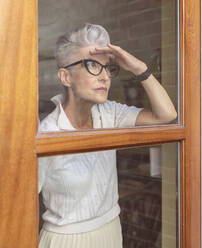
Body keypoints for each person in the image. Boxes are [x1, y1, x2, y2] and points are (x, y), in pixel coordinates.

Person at [38, 23, 177, 248]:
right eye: (92, 65)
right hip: (66, 240)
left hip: (111, 231)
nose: (104, 77)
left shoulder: (108, 113)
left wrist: (139, 68)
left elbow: (167, 114)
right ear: (65, 77)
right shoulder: (47, 130)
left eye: (107, 68)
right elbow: (17, 204)